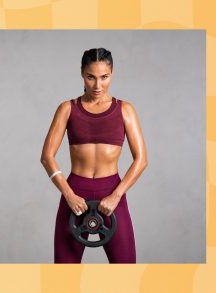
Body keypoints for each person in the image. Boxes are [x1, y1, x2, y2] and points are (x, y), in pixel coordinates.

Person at [40, 48, 148, 264]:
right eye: (91, 77)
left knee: (125, 267)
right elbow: (47, 157)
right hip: (74, 193)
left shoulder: (125, 109)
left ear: (112, 74)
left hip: (112, 193)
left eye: (104, 77)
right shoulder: (67, 108)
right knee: (64, 271)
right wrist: (69, 195)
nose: (98, 85)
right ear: (82, 74)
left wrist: (116, 195)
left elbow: (141, 160)